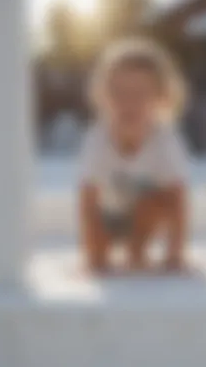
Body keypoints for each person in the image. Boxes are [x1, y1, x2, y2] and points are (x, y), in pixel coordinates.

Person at [79, 39, 189, 275]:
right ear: (104, 96)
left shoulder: (164, 139)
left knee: (156, 202)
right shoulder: (98, 138)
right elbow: (87, 198)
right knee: (97, 257)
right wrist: (91, 257)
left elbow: (178, 198)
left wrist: (175, 255)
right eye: (119, 93)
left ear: (161, 98)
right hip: (107, 216)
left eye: (140, 94)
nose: (128, 103)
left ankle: (136, 252)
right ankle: (105, 252)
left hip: (147, 215)